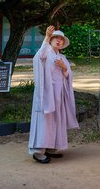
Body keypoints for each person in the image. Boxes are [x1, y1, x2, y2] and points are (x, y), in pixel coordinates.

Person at [29, 26, 79, 163]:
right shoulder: (46, 52)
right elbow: (39, 57)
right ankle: (39, 152)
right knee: (45, 120)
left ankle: (51, 148)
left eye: (61, 39)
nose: (59, 41)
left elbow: (69, 74)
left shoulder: (61, 57)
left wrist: (64, 67)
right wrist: (46, 36)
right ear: (50, 40)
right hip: (47, 93)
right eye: (56, 38)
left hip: (59, 94)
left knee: (57, 120)